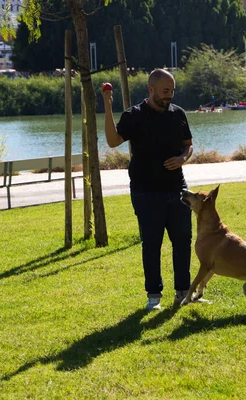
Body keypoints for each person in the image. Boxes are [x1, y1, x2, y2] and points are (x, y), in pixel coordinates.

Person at [101, 69, 194, 311]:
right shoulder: (134, 116)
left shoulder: (178, 114)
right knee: (152, 244)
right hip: (146, 191)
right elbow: (113, 141)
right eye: (165, 91)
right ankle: (154, 297)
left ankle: (183, 292)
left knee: (183, 241)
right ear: (151, 89)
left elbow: (188, 146)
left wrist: (182, 159)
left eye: (172, 91)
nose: (169, 96)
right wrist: (108, 107)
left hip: (178, 189)